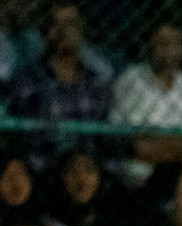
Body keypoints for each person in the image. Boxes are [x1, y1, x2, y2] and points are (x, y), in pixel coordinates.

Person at [108, 16, 182, 188]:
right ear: (147, 46)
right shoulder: (130, 80)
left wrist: (161, 144)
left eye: (175, 43)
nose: (169, 49)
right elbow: (135, 146)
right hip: (141, 180)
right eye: (163, 42)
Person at [8, 2, 109, 168]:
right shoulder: (27, 81)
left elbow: (103, 141)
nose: (64, 31)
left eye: (70, 24)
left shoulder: (96, 83)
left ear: (81, 29)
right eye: (55, 24)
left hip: (87, 175)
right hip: (43, 173)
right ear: (45, 31)